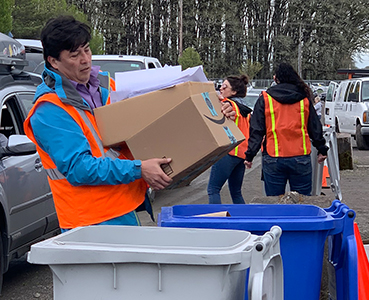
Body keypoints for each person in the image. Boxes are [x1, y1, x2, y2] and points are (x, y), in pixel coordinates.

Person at [23, 16, 236, 231]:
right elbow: (79, 168)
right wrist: (139, 169)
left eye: (86, 50)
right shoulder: (49, 110)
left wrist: (216, 110)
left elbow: (157, 120)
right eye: (74, 55)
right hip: (89, 223)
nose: (85, 59)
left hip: (125, 207)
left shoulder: (107, 88)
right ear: (53, 61)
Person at [244, 62, 328, 196]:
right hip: (300, 157)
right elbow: (314, 127)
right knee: (302, 203)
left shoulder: (265, 99)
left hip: (273, 156)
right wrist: (322, 149)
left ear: (275, 79)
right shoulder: (304, 99)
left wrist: (249, 155)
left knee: (275, 205)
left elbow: (257, 130)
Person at [207, 75, 251, 204]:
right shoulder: (245, 109)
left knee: (213, 189)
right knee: (236, 192)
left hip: (228, 152)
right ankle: (243, 220)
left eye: (224, 86)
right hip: (241, 154)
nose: (221, 88)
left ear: (233, 92)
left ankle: (217, 221)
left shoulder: (228, 105)